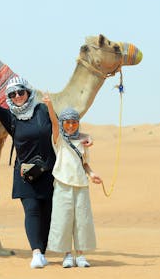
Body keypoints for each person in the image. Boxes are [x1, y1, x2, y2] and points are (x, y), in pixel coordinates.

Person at [0, 73, 92, 269]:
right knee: (32, 211)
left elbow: (63, 130)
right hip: (26, 174)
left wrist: (86, 136)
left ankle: (42, 252)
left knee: (48, 213)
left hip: (50, 173)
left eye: (20, 92)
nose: (17, 96)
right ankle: (36, 253)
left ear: (27, 92)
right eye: (12, 94)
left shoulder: (43, 110)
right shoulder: (10, 118)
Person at [43, 98, 102, 269]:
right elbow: (54, 124)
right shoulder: (59, 140)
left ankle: (81, 255)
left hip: (81, 185)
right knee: (64, 219)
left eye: (74, 123)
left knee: (82, 220)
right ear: (63, 123)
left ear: (78, 123)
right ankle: (67, 254)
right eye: (67, 123)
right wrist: (50, 106)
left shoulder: (83, 142)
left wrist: (92, 175)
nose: (70, 126)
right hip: (62, 184)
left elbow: (84, 163)